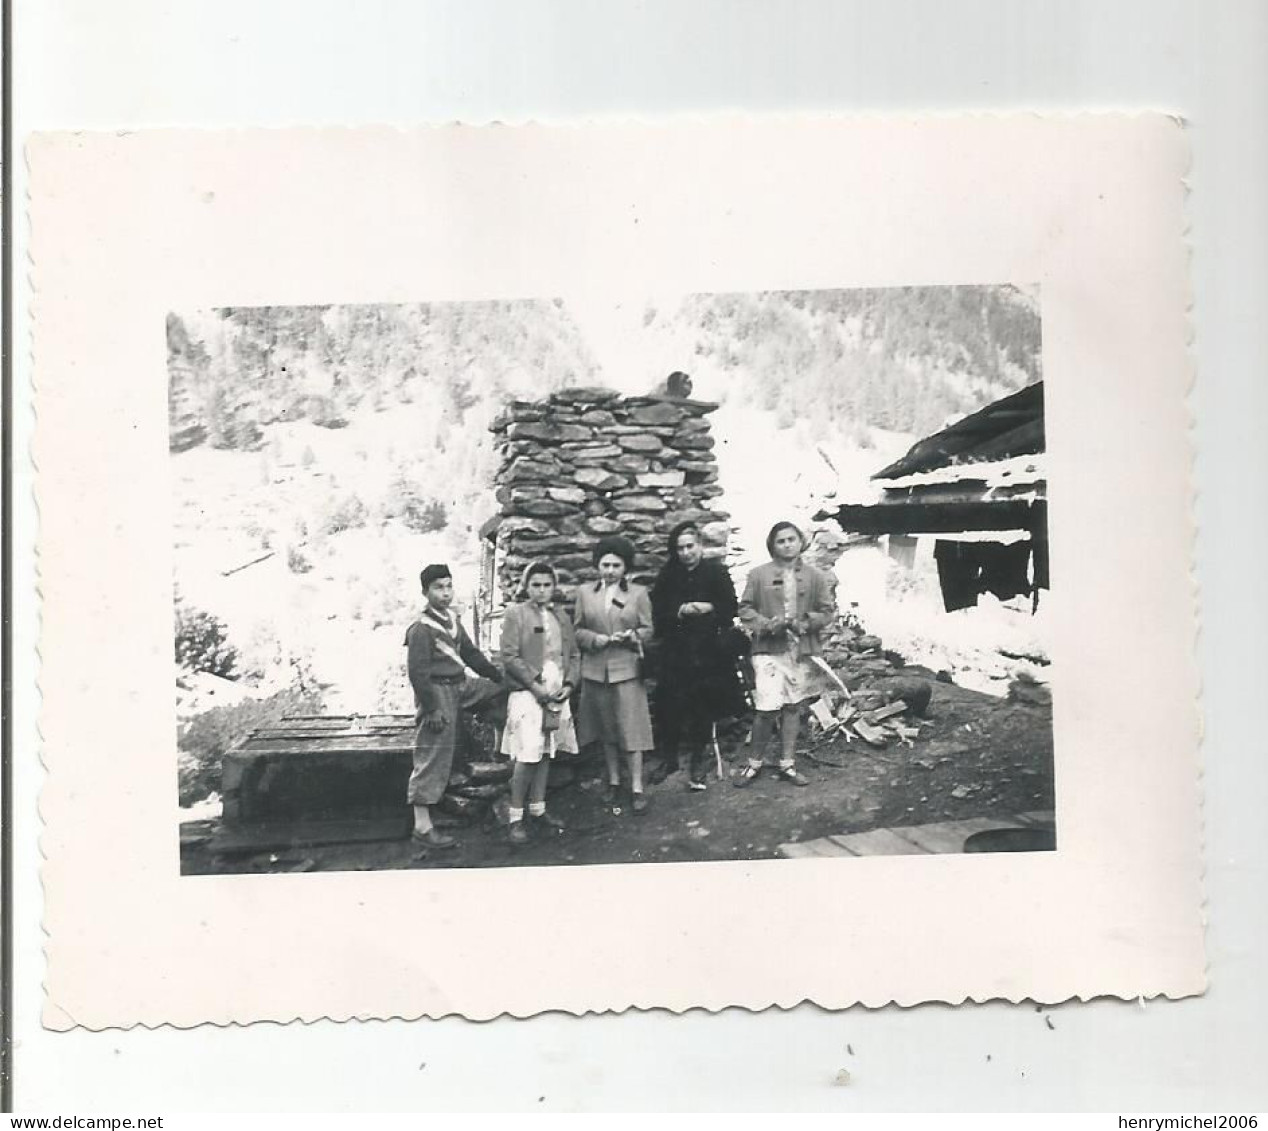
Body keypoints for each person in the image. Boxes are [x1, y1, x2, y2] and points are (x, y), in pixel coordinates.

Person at [405, 563, 505, 849]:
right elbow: (418, 673)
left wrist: (496, 676)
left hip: (462, 684)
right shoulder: (421, 628)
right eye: (438, 587)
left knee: (503, 692)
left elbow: (471, 653)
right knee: (433, 751)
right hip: (437, 692)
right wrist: (432, 709)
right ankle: (422, 826)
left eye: (449, 586)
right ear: (425, 592)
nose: (445, 593)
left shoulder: (452, 618)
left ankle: (501, 750)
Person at [734, 521, 837, 788]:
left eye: (791, 539)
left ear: (800, 542)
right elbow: (745, 609)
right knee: (766, 707)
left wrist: (806, 621)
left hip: (800, 650)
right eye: (780, 541)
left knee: (793, 706)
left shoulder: (815, 576)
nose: (787, 545)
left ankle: (787, 764)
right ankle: (754, 763)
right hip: (768, 649)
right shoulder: (758, 575)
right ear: (772, 546)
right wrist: (768, 624)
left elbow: (827, 611)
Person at [650, 521, 744, 791]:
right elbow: (658, 614)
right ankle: (668, 759)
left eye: (690, 546)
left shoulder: (716, 572)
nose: (686, 553)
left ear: (700, 546)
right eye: (680, 548)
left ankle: (698, 761)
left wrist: (709, 607)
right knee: (669, 706)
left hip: (707, 652)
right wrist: (679, 611)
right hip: (676, 651)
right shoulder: (668, 576)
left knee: (703, 705)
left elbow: (730, 610)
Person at [573, 535, 656, 814]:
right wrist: (592, 639)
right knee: (606, 730)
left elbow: (648, 629)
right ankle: (613, 780)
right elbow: (577, 629)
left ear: (625, 568)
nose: (609, 570)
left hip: (626, 669)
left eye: (616, 565)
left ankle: (636, 787)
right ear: (597, 565)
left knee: (632, 731)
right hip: (596, 671)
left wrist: (631, 636)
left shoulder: (638, 594)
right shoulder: (585, 593)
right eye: (605, 564)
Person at [499, 561, 580, 846]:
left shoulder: (561, 616)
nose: (542, 590)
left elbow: (573, 656)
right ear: (526, 586)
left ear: (553, 587)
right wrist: (535, 686)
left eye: (547, 585)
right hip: (528, 694)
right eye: (536, 585)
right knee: (528, 753)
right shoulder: (517, 614)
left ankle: (538, 809)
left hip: (557, 694)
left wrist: (569, 685)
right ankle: (515, 817)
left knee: (547, 751)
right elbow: (510, 657)